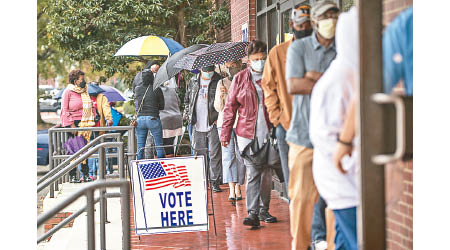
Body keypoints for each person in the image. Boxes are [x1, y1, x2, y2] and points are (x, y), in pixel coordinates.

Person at [285, 1, 339, 249]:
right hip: (303, 136)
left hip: (335, 138)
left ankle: (329, 243)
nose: (331, 21)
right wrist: (331, 81)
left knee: (334, 199)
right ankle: (301, 245)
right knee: (302, 199)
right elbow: (294, 86)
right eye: (326, 16)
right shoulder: (300, 48)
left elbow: (351, 83)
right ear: (316, 21)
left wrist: (314, 77)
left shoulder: (343, 49)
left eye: (335, 15)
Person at [310, 7, 359, 250]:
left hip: (346, 178)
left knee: (343, 239)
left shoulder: (351, 73)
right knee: (354, 240)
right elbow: (326, 136)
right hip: (344, 179)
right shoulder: (339, 79)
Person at [221, 40, 278, 228]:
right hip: (247, 134)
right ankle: (253, 213)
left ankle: (264, 210)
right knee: (253, 172)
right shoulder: (240, 79)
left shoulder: (274, 75)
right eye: (256, 59)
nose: (259, 62)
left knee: (267, 174)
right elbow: (230, 108)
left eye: (262, 58)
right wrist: (225, 134)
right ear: (249, 60)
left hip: (270, 132)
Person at [261, 4, 313, 199]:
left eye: (309, 24)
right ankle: (298, 227)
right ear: (291, 24)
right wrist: (277, 118)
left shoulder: (321, 50)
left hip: (317, 125)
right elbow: (268, 86)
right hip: (288, 124)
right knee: (293, 181)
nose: (305, 28)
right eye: (301, 24)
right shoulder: (278, 53)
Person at [183, 65, 223, 192]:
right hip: (196, 122)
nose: (208, 74)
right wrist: (188, 116)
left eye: (211, 71)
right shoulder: (193, 81)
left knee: (215, 153)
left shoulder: (219, 80)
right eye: (206, 71)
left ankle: (215, 181)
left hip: (213, 122)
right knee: (199, 154)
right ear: (200, 70)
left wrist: (219, 116)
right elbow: (187, 101)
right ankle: (201, 180)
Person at [214, 60, 246, 201]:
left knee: (241, 156)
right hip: (224, 123)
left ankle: (239, 185)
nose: (231, 69)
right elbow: (218, 107)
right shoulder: (221, 83)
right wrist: (222, 96)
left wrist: (233, 94)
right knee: (227, 157)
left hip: (240, 122)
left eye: (234, 66)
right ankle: (232, 189)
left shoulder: (244, 80)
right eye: (229, 67)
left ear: (239, 65)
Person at [60, 69, 97, 183]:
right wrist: (71, 125)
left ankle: (85, 175)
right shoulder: (68, 92)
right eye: (82, 79)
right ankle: (72, 175)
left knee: (85, 151)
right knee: (73, 150)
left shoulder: (84, 91)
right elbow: (64, 109)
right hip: (73, 124)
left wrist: (94, 116)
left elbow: (90, 106)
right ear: (75, 81)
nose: (84, 81)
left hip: (85, 123)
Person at [134, 69, 165, 160]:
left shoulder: (137, 89)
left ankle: (138, 167)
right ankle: (160, 165)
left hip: (140, 119)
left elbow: (136, 103)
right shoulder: (157, 89)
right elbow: (162, 106)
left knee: (140, 147)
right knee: (159, 145)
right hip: (153, 118)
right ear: (152, 77)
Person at [87, 85, 113, 180]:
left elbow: (106, 109)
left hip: (99, 128)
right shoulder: (84, 97)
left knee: (100, 150)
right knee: (89, 151)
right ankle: (91, 173)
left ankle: (99, 173)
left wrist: (109, 119)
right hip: (87, 129)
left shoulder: (102, 97)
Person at [159, 78, 183, 157]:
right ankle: (170, 165)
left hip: (163, 121)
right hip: (176, 120)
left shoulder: (157, 92)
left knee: (160, 145)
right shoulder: (172, 90)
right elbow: (178, 102)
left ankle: (161, 166)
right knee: (169, 144)